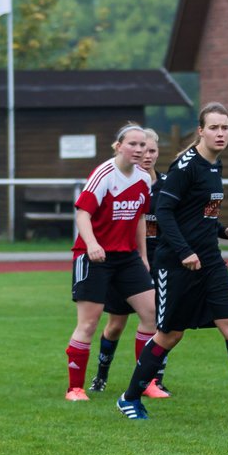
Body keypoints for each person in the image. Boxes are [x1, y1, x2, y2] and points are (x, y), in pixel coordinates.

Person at [114, 102, 228, 421]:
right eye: (214, 127)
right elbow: (163, 213)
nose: (221, 133)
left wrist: (220, 230)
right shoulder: (186, 166)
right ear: (201, 131)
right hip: (177, 265)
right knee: (170, 335)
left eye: (225, 127)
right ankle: (129, 398)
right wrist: (184, 251)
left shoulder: (215, 165)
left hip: (211, 262)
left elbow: (201, 210)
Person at [63, 124, 158, 402]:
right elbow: (82, 214)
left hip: (126, 257)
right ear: (118, 146)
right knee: (89, 324)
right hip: (94, 257)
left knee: (151, 314)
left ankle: (145, 382)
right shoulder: (104, 174)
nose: (139, 150)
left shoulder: (143, 178)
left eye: (143, 145)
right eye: (133, 144)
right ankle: (75, 389)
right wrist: (92, 244)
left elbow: (140, 217)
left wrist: (142, 255)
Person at [89, 128, 171, 398]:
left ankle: (151, 380)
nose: (145, 154)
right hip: (128, 258)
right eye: (140, 149)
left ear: (157, 153)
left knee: (159, 320)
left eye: (151, 150)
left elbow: (186, 217)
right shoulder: (127, 179)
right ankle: (101, 374)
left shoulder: (167, 184)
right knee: (116, 324)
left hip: (161, 260)